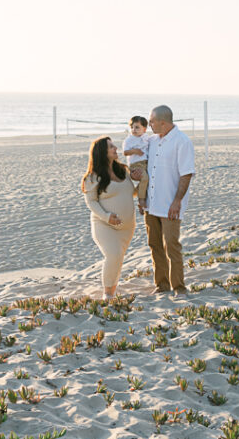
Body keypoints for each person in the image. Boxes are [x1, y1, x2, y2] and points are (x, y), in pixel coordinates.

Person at [135, 105, 195, 296]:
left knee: (172, 245)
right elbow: (144, 167)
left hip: (170, 205)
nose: (148, 124)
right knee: (154, 245)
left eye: (151, 121)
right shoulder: (151, 141)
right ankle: (162, 285)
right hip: (151, 204)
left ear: (162, 122)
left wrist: (177, 201)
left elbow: (186, 174)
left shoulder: (182, 141)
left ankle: (179, 287)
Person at [81, 137, 136, 300]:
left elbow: (130, 193)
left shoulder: (122, 170)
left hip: (127, 227)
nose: (116, 148)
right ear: (102, 153)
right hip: (104, 225)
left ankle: (113, 288)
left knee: (118, 259)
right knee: (113, 255)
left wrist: (143, 186)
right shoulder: (93, 177)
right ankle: (108, 294)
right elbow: (91, 201)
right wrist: (106, 216)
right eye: (111, 147)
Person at [122, 115, 151, 212]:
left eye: (137, 127)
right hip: (136, 164)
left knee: (150, 179)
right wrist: (135, 151)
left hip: (145, 163)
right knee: (145, 178)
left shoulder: (146, 137)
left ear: (144, 129)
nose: (134, 130)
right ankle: (141, 200)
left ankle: (136, 192)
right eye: (132, 127)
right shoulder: (129, 140)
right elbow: (125, 152)